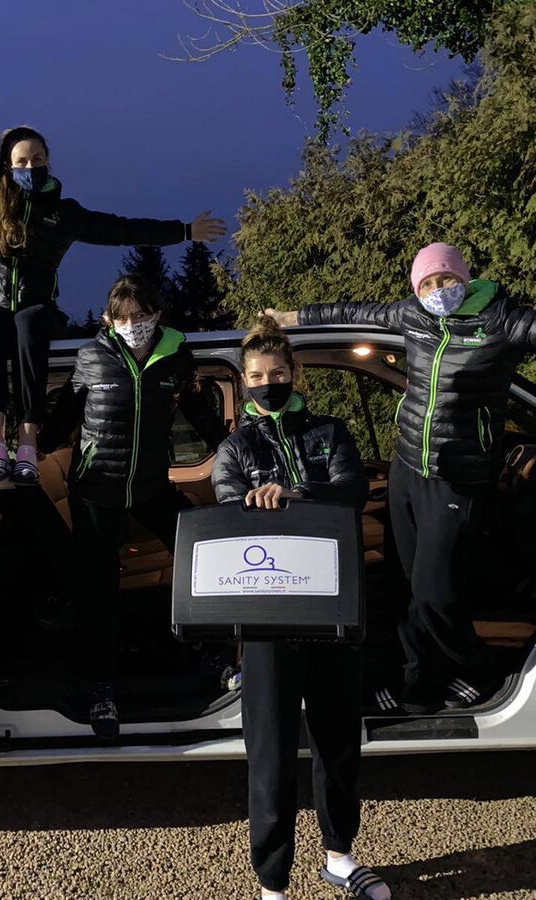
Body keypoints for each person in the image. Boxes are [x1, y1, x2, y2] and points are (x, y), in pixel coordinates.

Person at [0, 44, 226, 486]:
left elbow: (119, 228)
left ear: (48, 162)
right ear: (7, 165)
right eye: (21, 161)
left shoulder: (63, 213)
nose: (30, 166)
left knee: (29, 326)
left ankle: (28, 445)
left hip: (35, 305)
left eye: (38, 159)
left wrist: (184, 231)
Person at [265, 243, 536, 713]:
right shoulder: (414, 316)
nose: (438, 290)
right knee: (408, 587)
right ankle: (422, 679)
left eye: (446, 280)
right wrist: (292, 319)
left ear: (464, 280)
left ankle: (476, 673)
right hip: (407, 469)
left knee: (435, 593)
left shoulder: (499, 321)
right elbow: (354, 311)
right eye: (428, 283)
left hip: (457, 479)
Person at [212, 319, 390, 900]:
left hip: (333, 608)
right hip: (267, 618)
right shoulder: (235, 448)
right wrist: (253, 505)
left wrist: (293, 496)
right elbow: (227, 509)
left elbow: (352, 489)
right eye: (257, 377)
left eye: (278, 373)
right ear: (245, 382)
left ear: (295, 373)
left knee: (338, 741)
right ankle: (272, 883)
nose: (269, 384)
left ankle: (339, 855)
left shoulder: (329, 432)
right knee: (271, 752)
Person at [39, 276, 227, 736]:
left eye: (141, 316)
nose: (132, 325)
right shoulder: (92, 356)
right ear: (109, 319)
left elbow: (200, 414)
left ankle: (214, 655)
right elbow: (65, 414)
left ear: (156, 315)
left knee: (201, 554)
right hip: (96, 490)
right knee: (98, 591)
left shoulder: (176, 358)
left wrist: (236, 452)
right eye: (122, 317)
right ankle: (100, 689)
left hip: (149, 486)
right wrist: (28, 449)